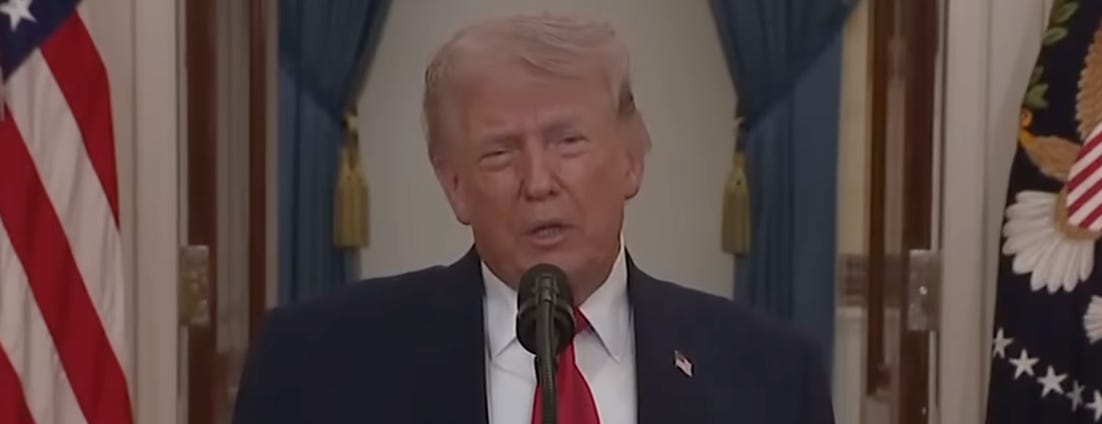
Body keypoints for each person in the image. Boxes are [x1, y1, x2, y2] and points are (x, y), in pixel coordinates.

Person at [233, 12, 834, 424]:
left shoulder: (773, 377)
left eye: (568, 141)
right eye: (500, 152)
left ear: (631, 160)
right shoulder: (316, 363)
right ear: (454, 184)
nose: (539, 182)